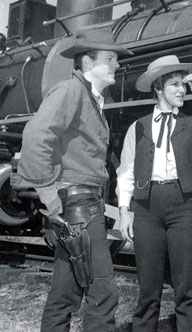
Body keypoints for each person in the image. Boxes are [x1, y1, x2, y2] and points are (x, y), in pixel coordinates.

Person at [11, 29, 132, 331]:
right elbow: (36, 137)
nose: (116, 64)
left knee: (65, 292)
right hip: (77, 207)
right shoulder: (71, 91)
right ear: (88, 62)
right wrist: (49, 193)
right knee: (103, 292)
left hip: (78, 207)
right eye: (110, 59)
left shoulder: (88, 97)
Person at [116, 55, 192, 332]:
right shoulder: (138, 126)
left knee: (186, 286)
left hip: (185, 207)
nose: (181, 90)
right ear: (158, 88)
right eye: (175, 85)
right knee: (148, 287)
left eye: (183, 85)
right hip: (147, 208)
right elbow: (126, 171)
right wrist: (123, 210)